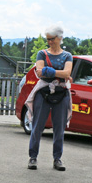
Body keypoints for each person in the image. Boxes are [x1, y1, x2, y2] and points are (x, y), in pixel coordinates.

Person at [26, 25, 73, 171]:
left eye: (52, 39)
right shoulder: (41, 53)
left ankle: (57, 159)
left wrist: (50, 71)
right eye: (48, 39)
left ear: (59, 38)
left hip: (61, 94)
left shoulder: (67, 55)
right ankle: (32, 157)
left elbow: (67, 73)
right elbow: (40, 73)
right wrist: (58, 73)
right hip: (43, 92)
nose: (49, 42)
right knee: (37, 126)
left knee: (59, 128)